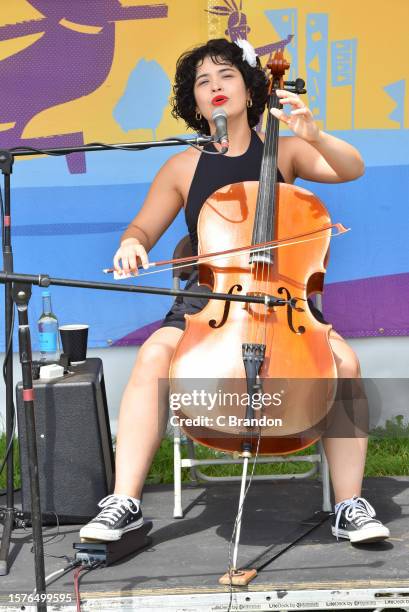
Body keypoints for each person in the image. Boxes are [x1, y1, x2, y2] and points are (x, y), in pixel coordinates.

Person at [80, 38, 390, 545]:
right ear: (195, 102)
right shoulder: (182, 167)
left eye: (225, 76)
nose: (214, 87)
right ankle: (125, 501)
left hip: (284, 300)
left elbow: (350, 168)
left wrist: (316, 134)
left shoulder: (285, 151)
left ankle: (349, 503)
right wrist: (131, 246)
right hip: (210, 301)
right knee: (155, 354)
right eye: (202, 82)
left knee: (345, 363)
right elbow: (140, 230)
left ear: (250, 90)